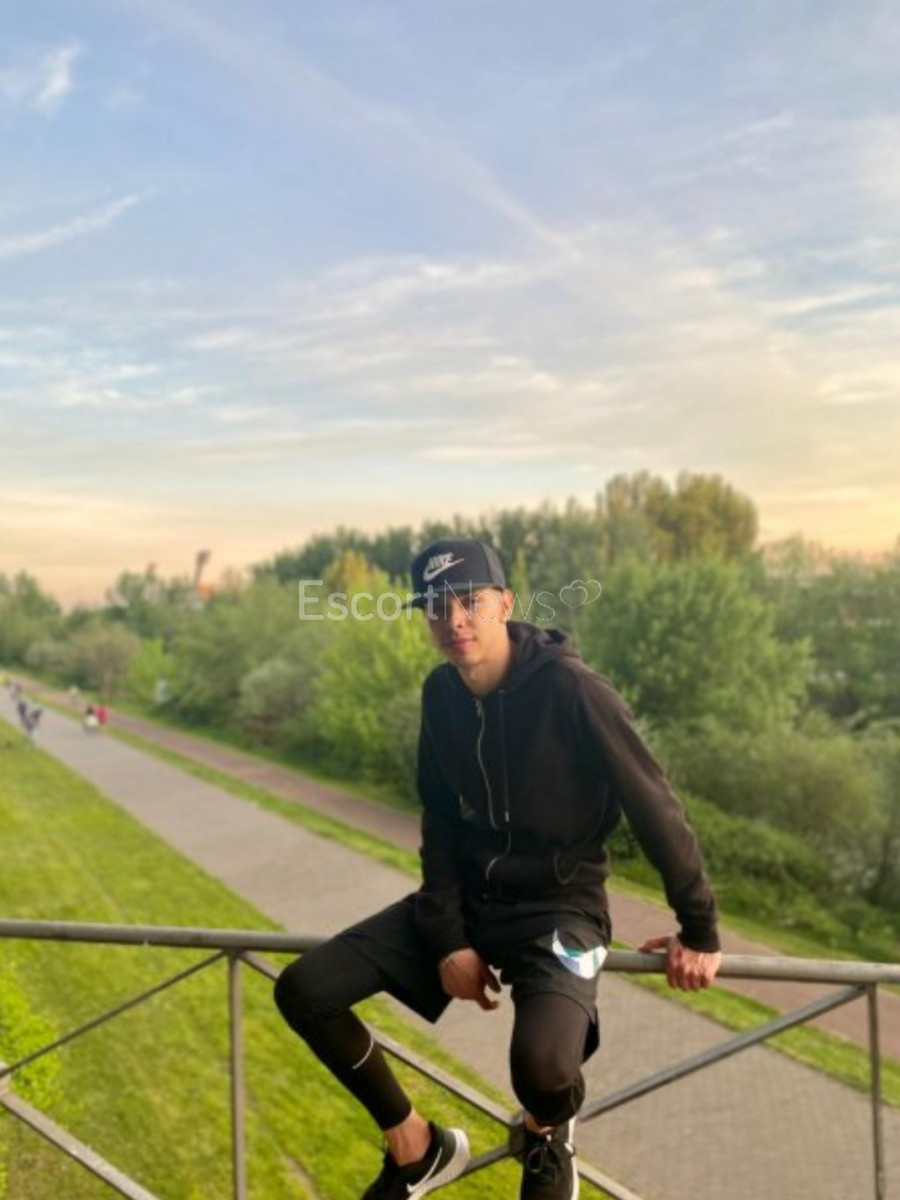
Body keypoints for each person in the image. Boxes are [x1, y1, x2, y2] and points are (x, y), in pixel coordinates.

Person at [274, 539, 722, 1200]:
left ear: (505, 604)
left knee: (543, 1070)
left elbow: (654, 805)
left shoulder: (574, 690)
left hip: (562, 909)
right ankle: (415, 1148)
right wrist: (448, 937)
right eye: (436, 608)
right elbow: (439, 820)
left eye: (470, 602)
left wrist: (699, 929)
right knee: (305, 990)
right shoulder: (440, 695)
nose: (454, 620)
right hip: (469, 900)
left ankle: (547, 1131)